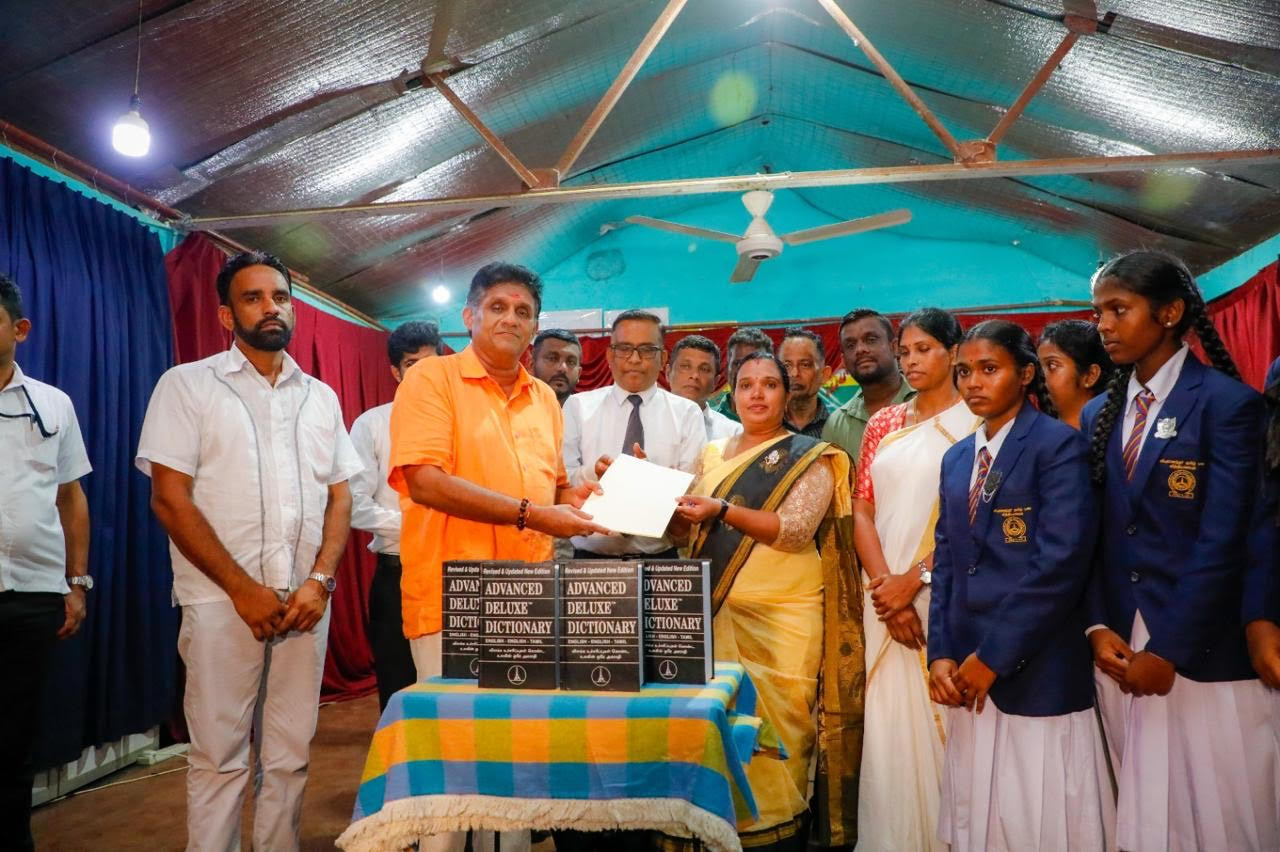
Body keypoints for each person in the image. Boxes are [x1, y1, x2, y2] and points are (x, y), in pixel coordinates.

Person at [137, 251, 362, 852]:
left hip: (307, 604)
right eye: (253, 297)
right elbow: (169, 499)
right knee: (219, 757)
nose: (270, 308)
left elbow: (340, 496)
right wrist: (242, 590)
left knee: (290, 755)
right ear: (225, 314)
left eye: (280, 297)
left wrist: (321, 582)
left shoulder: (320, 397)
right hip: (220, 603)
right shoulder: (187, 385)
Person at [388, 261, 606, 852]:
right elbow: (425, 481)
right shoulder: (431, 380)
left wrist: (585, 494)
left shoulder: (545, 399)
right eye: (498, 307)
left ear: (535, 325)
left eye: (523, 311)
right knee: (452, 769)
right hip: (452, 600)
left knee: (513, 767)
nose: (511, 318)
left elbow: (552, 490)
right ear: (470, 316)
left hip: (527, 600)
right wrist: (535, 514)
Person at [1083, 250, 1279, 852]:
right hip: (1122, 647)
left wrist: (1168, 649)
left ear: (1169, 313)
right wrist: (1096, 624)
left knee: (1227, 817)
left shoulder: (1227, 404)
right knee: (1149, 822)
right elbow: (1093, 536)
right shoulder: (1097, 413)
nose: (1104, 325)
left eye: (1119, 310)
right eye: (1098, 313)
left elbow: (1224, 539)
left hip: (1205, 648)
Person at [928, 320, 1114, 851]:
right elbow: (948, 564)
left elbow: (1060, 565)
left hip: (1037, 665)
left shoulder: (1057, 446)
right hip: (967, 670)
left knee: (1042, 820)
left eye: (989, 369)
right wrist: (941, 653)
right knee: (982, 820)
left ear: (1026, 374)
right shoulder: (956, 458)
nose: (973, 383)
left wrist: (993, 656)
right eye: (964, 371)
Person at [669, 351, 862, 850]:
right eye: (746, 384)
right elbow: (685, 532)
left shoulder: (812, 456)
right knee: (713, 724)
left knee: (780, 729)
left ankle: (776, 831)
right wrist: (644, 490)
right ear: (730, 394)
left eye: (770, 384)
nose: (757, 394)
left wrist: (723, 509)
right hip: (714, 609)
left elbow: (794, 531)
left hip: (783, 618)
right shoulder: (711, 455)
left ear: (786, 393)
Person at [849, 308, 977, 852]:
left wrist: (917, 580)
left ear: (954, 351)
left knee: (952, 721)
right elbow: (861, 511)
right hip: (883, 602)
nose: (910, 361)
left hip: (948, 595)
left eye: (923, 349)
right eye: (904, 352)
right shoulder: (884, 423)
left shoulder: (980, 418)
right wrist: (889, 591)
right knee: (890, 727)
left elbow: (977, 519)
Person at [0, 273, 92, 851]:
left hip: (33, 595)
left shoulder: (53, 404)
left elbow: (71, 496)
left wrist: (76, 582)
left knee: (15, 739)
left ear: (20, 329)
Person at [562, 309, 704, 560]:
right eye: (624, 348)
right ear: (609, 355)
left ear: (663, 358)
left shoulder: (687, 414)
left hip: (660, 559)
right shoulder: (578, 407)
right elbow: (561, 483)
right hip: (590, 560)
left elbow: (693, 492)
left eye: (647, 350)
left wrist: (651, 481)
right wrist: (595, 473)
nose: (635, 359)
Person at [349, 320, 440, 710]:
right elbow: (354, 504)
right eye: (411, 365)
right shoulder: (371, 424)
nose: (421, 374)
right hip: (396, 571)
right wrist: (417, 525)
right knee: (398, 689)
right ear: (395, 371)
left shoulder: (460, 420)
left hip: (454, 574)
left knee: (454, 690)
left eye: (429, 364)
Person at [822, 309, 915, 462]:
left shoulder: (925, 401)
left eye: (871, 340)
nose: (860, 349)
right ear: (843, 361)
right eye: (850, 345)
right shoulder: (836, 425)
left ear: (895, 347)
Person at [1036, 319, 1115, 430]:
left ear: (1090, 376)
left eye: (1052, 365)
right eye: (1039, 367)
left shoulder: (1118, 432)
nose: (1040, 375)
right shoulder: (1035, 433)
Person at [667, 334, 742, 441]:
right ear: (668, 373)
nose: (695, 375)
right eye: (686, 366)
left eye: (704, 369)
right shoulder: (646, 421)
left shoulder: (733, 433)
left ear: (715, 382)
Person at [707, 326, 774, 422]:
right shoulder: (707, 420)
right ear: (727, 370)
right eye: (737, 363)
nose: (744, 371)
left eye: (754, 364)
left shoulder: (782, 419)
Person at [779, 328, 834, 438]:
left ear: (824, 374)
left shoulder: (838, 427)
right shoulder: (765, 426)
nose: (794, 373)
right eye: (787, 366)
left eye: (805, 365)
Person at [530, 328, 582, 405]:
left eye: (571, 362)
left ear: (579, 373)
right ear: (531, 366)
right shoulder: (515, 409)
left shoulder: (585, 411)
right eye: (552, 359)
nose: (563, 368)